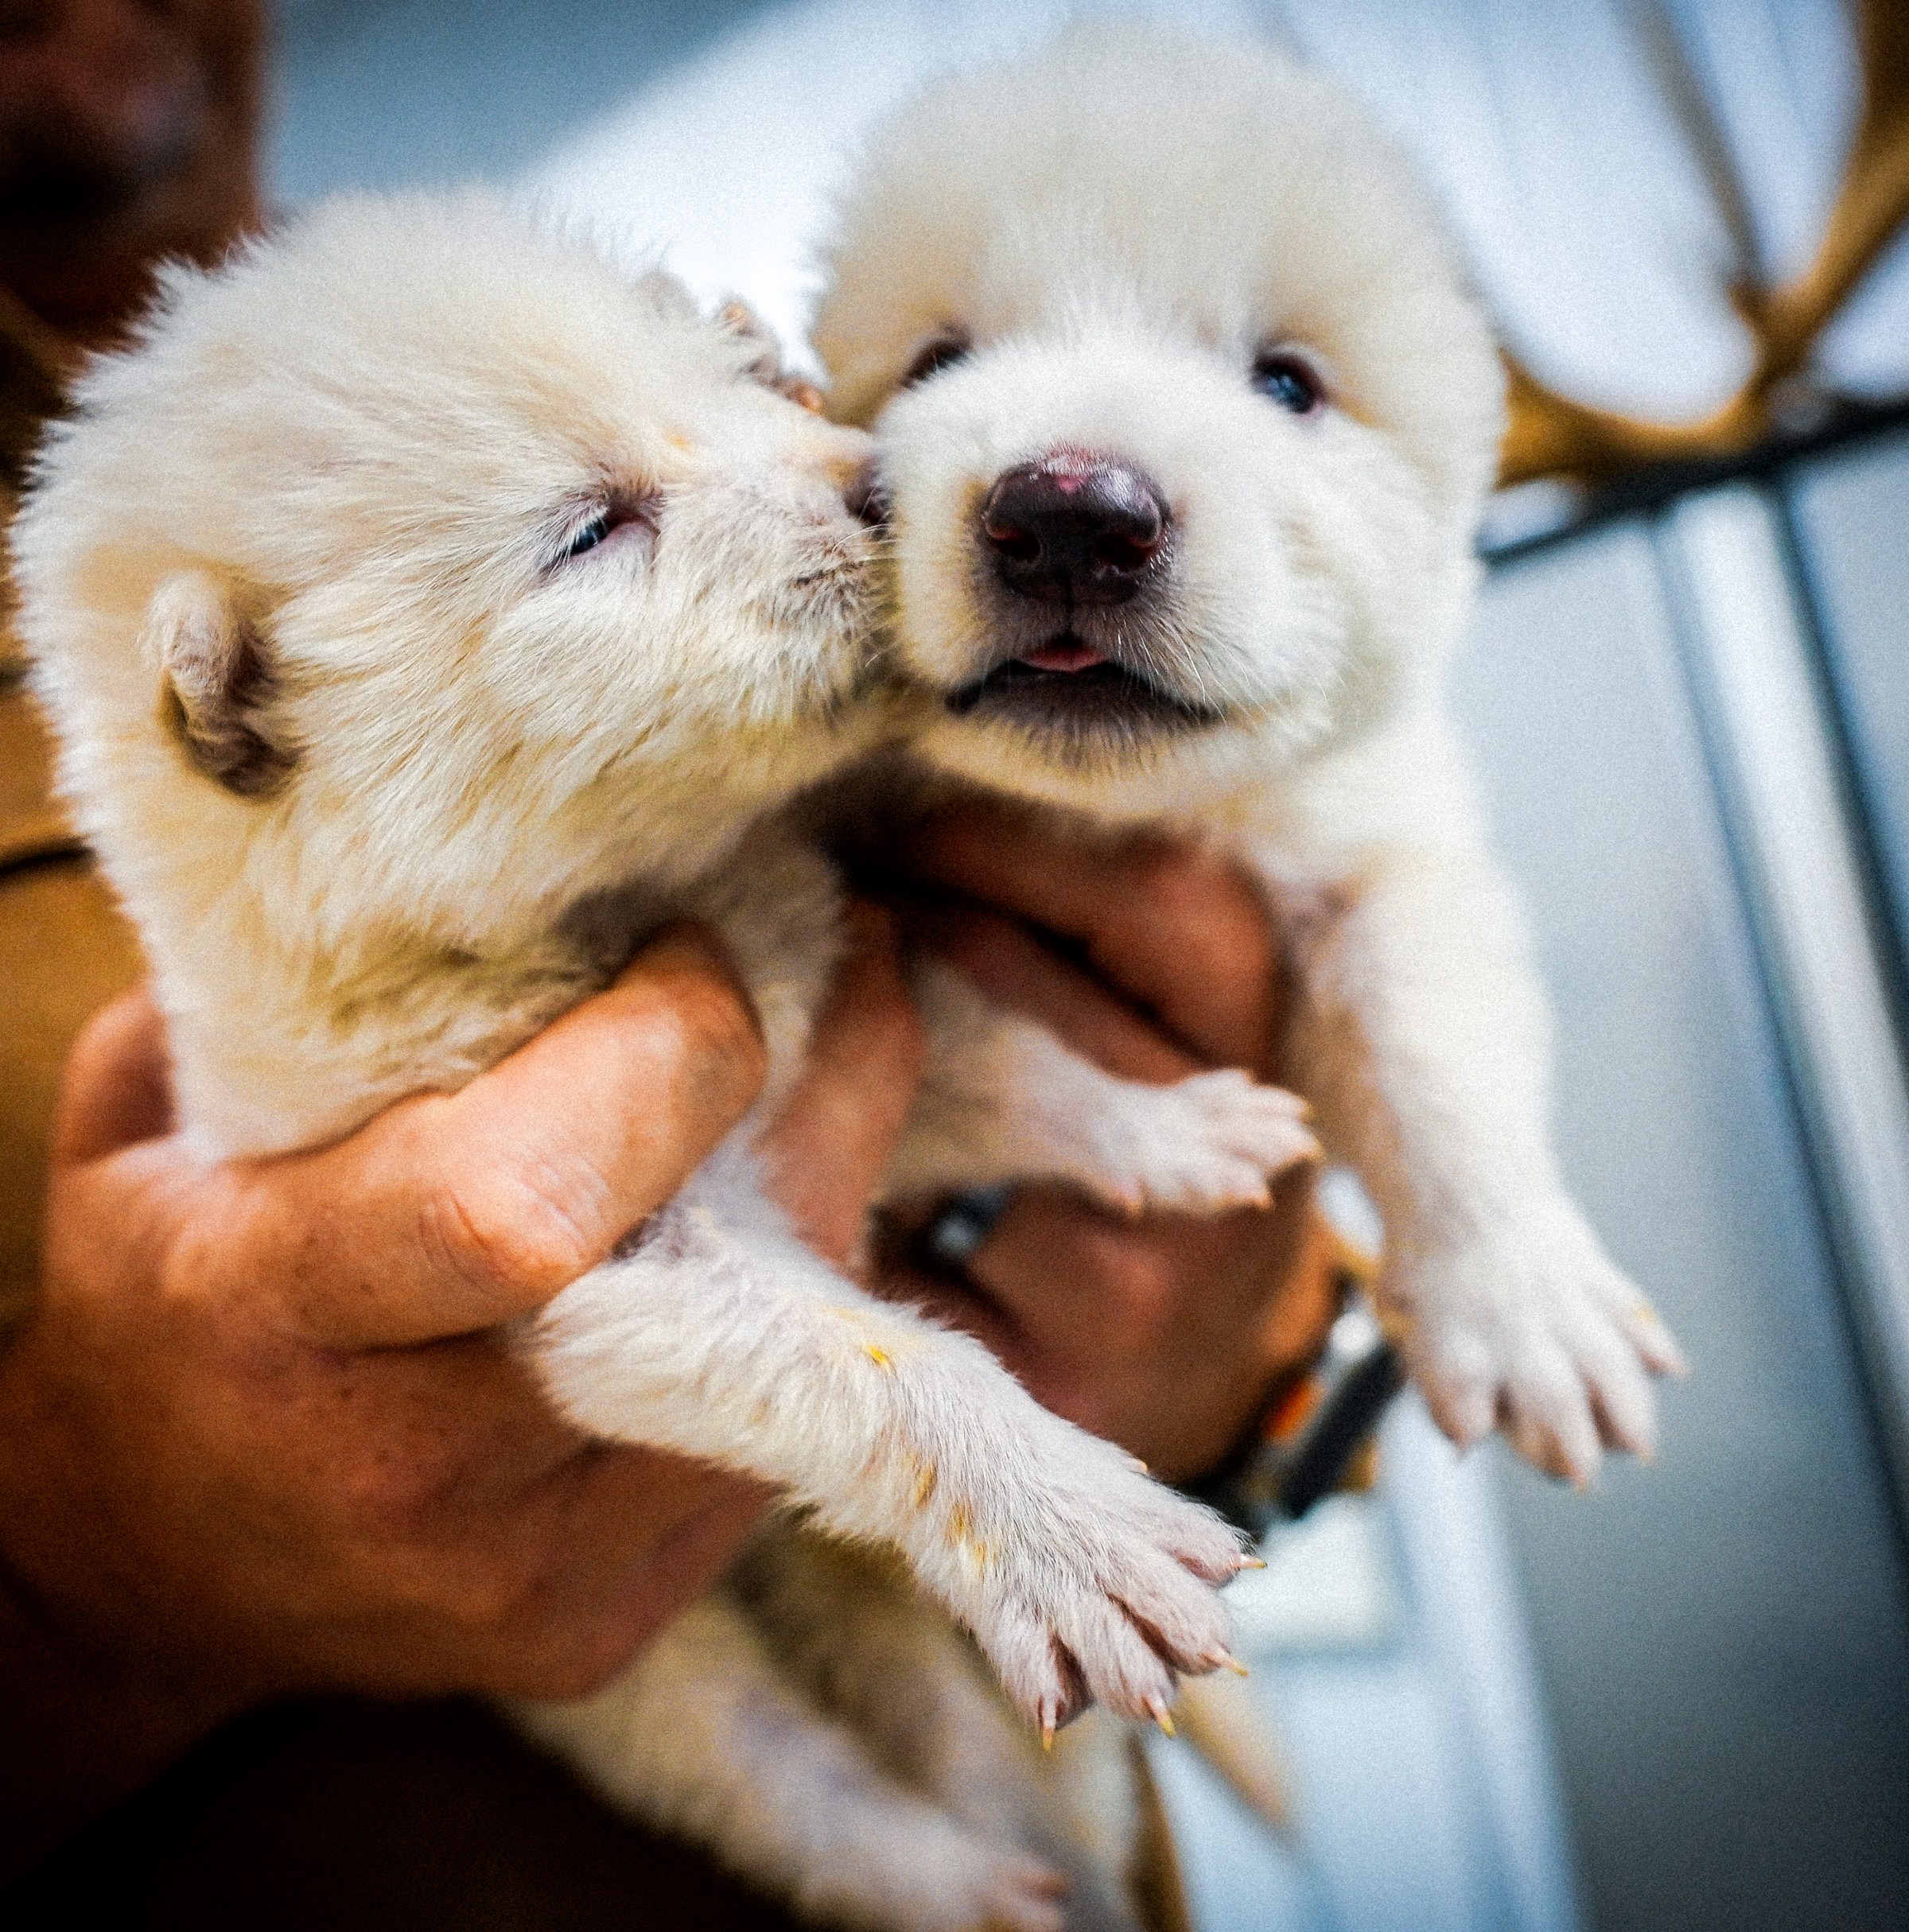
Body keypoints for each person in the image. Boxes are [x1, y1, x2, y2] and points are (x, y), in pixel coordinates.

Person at [0, 6, 1342, 1925]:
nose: (850, 469)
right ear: (248, 715)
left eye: (736, 386)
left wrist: (1260, 1357)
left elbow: (1233, 1206)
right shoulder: (245, 586)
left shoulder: (480, 301)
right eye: (594, 532)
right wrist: (77, 1578)